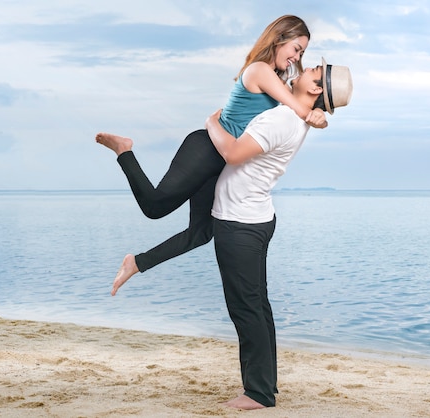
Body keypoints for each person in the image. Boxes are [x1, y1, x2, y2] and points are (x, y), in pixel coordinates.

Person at [96, 15, 328, 296]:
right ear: (278, 40)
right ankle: (124, 150)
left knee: (202, 233)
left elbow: (297, 102)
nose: (297, 57)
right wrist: (314, 115)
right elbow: (296, 105)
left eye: (302, 53)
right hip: (206, 148)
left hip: (221, 157)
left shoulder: (279, 78)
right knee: (154, 207)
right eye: (296, 49)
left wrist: (316, 108)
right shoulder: (259, 70)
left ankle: (136, 263)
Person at [204, 58, 353, 410]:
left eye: (313, 71)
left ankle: (257, 393)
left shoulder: (284, 118)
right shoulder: (294, 114)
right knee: (258, 306)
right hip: (255, 218)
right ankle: (264, 385)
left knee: (246, 309)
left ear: (315, 90)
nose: (304, 70)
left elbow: (233, 152)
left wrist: (212, 122)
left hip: (239, 221)